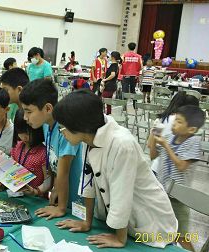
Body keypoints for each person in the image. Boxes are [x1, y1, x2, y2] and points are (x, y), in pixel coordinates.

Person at [54, 89, 178, 249]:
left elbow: (122, 194)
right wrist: (86, 221)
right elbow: (88, 182)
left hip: (151, 221)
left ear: (80, 126)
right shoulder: (88, 137)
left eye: (62, 127)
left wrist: (120, 239)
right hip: (124, 223)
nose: (61, 133)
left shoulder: (122, 144)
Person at [19, 79, 82, 219]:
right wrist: (53, 188)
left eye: (29, 111)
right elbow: (53, 162)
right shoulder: (47, 124)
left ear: (48, 108)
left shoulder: (66, 129)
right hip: (60, 197)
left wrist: (61, 208)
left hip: (76, 202)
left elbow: (64, 172)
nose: (25, 117)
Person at [149, 105, 204, 251]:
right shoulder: (169, 137)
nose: (173, 124)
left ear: (191, 129)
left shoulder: (193, 142)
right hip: (162, 192)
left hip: (179, 198)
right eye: (174, 120)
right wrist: (153, 136)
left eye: (179, 122)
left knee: (181, 235)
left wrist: (166, 145)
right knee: (163, 230)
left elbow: (181, 166)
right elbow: (152, 155)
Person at [150, 92, 199, 174]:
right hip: (171, 172)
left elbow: (150, 146)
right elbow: (182, 166)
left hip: (156, 167)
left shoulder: (160, 120)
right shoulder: (185, 125)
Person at [12, 109, 51, 197]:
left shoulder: (43, 153)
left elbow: (48, 181)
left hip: (37, 199)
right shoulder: (17, 147)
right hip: (17, 195)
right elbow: (10, 171)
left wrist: (35, 191)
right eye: (20, 133)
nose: (23, 137)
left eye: (27, 133)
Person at [121, 42, 143, 108]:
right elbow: (141, 67)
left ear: (128, 47)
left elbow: (120, 65)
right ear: (135, 48)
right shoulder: (138, 56)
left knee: (125, 90)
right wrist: (136, 71)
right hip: (134, 76)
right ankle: (135, 105)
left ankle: (124, 106)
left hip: (126, 75)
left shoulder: (124, 55)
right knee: (133, 90)